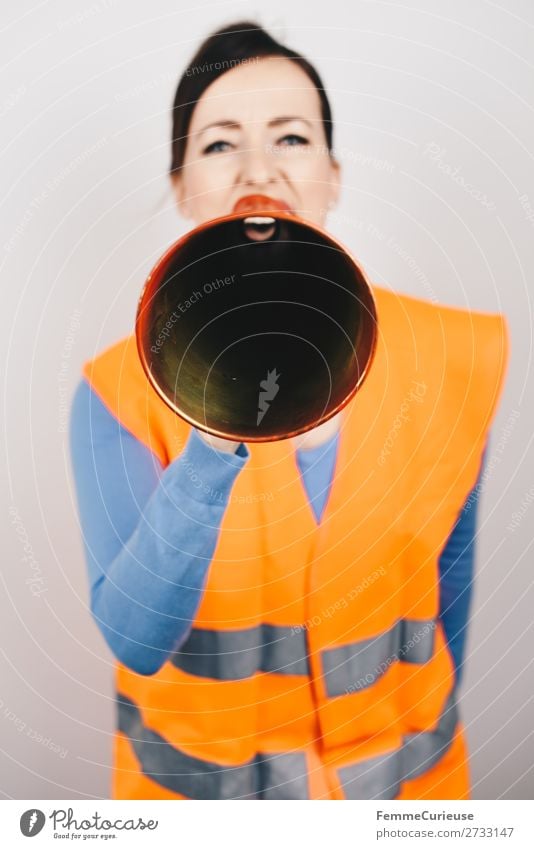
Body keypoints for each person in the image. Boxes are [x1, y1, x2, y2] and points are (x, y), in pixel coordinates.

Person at [69, 21, 509, 800]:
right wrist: (213, 419)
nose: (258, 170)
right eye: (219, 144)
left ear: (334, 176)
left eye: (292, 138)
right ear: (180, 186)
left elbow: (450, 604)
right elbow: (135, 639)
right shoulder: (116, 391)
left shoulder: (452, 357)